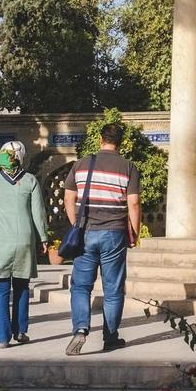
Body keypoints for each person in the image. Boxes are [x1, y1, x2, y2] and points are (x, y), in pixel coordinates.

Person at [64, 122, 139, 356]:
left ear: (100, 139)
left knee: (80, 287)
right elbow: (134, 203)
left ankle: (80, 329)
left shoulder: (82, 163)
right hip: (114, 233)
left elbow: (69, 198)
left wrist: (75, 224)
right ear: (121, 142)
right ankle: (110, 337)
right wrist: (134, 233)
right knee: (113, 289)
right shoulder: (128, 167)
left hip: (85, 232)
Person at [0, 141, 47, 348]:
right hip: (24, 240)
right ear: (21, 157)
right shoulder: (30, 180)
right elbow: (38, 214)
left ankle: (2, 338)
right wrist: (44, 238)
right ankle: (20, 331)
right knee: (22, 288)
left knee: (0, 290)